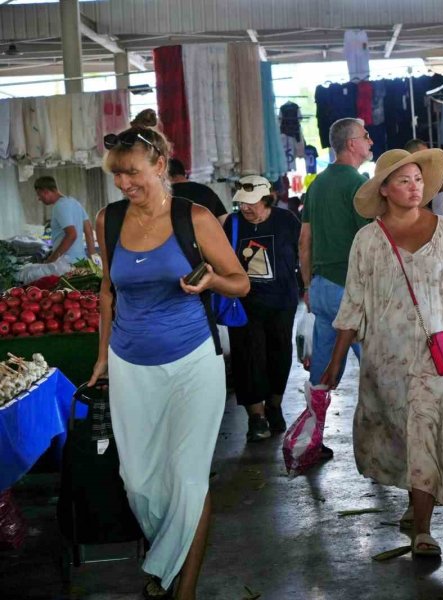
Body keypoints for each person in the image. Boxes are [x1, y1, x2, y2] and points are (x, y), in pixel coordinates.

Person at [88, 115, 250, 599]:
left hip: (192, 362)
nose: (124, 183)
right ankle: (166, 562)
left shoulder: (193, 218)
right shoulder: (108, 220)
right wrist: (101, 358)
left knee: (186, 478)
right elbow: (107, 292)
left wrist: (211, 281)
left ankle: (184, 589)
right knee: (138, 482)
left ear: (159, 165)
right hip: (128, 362)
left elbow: (239, 282)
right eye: (117, 175)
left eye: (133, 172)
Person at [321, 148, 443, 557]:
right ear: (385, 191)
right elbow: (354, 304)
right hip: (385, 358)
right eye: (403, 181)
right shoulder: (367, 240)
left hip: (439, 356)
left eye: (417, 179)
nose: (414, 188)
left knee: (427, 427)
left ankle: (425, 529)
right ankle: (417, 503)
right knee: (401, 434)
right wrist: (337, 359)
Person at [300, 118, 372, 407]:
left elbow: (304, 241)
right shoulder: (357, 183)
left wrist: (307, 285)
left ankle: (311, 439)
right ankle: (382, 438)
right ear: (352, 144)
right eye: (366, 136)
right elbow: (369, 243)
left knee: (322, 368)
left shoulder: (317, 184)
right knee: (375, 365)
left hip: (320, 288)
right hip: (349, 289)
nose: (371, 141)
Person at [226, 175, 302, 442]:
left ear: (266, 197)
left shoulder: (287, 221)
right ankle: (255, 417)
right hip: (245, 305)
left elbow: (301, 254)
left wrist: (308, 287)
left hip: (282, 302)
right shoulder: (232, 225)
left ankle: (274, 405)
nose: (246, 208)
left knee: (279, 354)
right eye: (242, 203)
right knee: (247, 358)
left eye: (251, 202)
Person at [34, 176, 96, 263]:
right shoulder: (75, 203)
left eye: (39, 194)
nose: (39, 199)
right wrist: (94, 261)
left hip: (66, 264)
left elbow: (71, 235)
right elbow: (89, 231)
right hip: (81, 261)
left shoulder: (59, 206)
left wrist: (51, 260)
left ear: (46, 192)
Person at [167, 158, 228, 224]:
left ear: (167, 176)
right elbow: (225, 221)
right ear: (184, 173)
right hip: (208, 232)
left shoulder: (167, 195)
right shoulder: (207, 191)